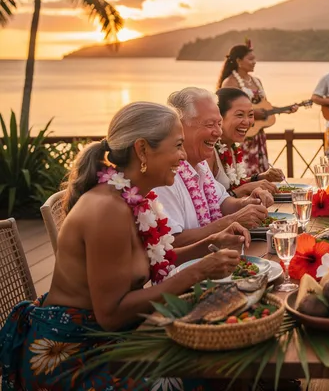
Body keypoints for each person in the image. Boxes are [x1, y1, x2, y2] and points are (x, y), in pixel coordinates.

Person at [0, 102, 244, 390]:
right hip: (75, 353)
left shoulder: (134, 198)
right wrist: (198, 272)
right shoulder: (108, 210)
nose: (182, 156)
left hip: (109, 336)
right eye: (177, 145)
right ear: (142, 150)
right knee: (211, 368)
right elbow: (112, 315)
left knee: (219, 351)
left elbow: (152, 261)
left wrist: (209, 244)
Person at [154, 87, 275, 249]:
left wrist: (248, 202)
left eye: (219, 124)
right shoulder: (164, 175)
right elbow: (172, 243)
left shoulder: (200, 163)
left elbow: (222, 201)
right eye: (210, 124)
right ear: (180, 127)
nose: (218, 133)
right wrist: (232, 220)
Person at [218, 41, 298, 175]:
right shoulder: (230, 82)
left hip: (257, 135)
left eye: (254, 58)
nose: (254, 62)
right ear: (238, 61)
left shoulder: (257, 81)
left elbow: (263, 106)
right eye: (250, 59)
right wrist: (253, 113)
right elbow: (226, 109)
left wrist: (284, 109)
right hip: (240, 135)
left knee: (261, 173)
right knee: (242, 172)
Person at [211, 87, 286, 197]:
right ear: (219, 117)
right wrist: (246, 188)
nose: (247, 122)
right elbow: (210, 204)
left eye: (251, 115)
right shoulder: (209, 152)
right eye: (240, 115)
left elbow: (233, 185)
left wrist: (261, 177)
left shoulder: (231, 147)